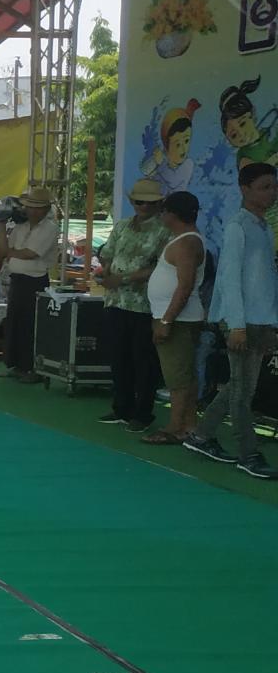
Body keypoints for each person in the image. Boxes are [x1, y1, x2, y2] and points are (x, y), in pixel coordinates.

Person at [182, 162, 277, 478]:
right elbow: (230, 279)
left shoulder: (263, 227)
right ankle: (248, 453)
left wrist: (271, 322)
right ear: (244, 189)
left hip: (259, 320)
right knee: (242, 393)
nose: (272, 193)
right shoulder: (238, 226)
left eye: (274, 186)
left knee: (239, 386)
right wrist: (236, 325)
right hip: (240, 320)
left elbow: (265, 281)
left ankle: (200, 436)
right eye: (264, 187)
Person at [96, 179, 170, 430]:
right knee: (118, 358)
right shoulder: (122, 226)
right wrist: (106, 273)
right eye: (140, 202)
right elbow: (107, 254)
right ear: (132, 202)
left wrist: (123, 279)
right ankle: (121, 408)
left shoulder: (164, 230)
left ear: (159, 204)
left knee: (144, 361)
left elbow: (160, 267)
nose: (144, 206)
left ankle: (143, 413)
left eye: (150, 203)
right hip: (116, 301)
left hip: (144, 305)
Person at [143, 191, 206, 445]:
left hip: (178, 319)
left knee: (177, 376)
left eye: (163, 210)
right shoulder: (183, 240)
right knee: (184, 374)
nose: (161, 215)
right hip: (176, 317)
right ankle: (188, 425)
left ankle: (176, 427)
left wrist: (167, 320)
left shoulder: (187, 243)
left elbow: (185, 286)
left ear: (171, 214)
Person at [0, 187, 60, 383]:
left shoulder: (50, 227)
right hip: (17, 280)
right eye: (30, 207)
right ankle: (16, 365)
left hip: (35, 280)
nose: (32, 211)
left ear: (46, 209)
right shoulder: (21, 227)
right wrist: (1, 226)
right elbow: (3, 250)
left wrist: (12, 253)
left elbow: (30, 253)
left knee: (31, 325)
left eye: (37, 207)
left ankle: (34, 369)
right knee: (15, 323)